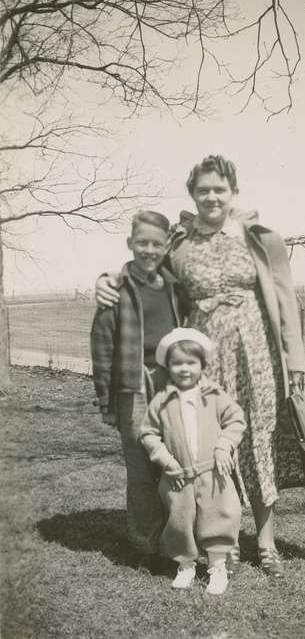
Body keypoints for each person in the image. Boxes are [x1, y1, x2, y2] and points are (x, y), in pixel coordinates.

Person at [95, 155, 305, 577]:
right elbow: (146, 270)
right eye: (203, 190)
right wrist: (108, 279)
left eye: (219, 189)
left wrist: (296, 363)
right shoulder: (180, 243)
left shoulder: (261, 238)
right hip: (202, 359)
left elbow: (286, 304)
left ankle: (265, 543)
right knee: (208, 446)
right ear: (193, 194)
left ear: (233, 192)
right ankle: (219, 539)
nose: (211, 196)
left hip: (258, 356)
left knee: (261, 442)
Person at [90, 210, 187, 563]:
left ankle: (177, 537)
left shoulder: (175, 287)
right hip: (134, 385)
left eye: (156, 244)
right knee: (141, 466)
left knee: (174, 458)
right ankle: (145, 542)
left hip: (172, 383)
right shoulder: (116, 289)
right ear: (130, 243)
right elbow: (101, 347)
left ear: (166, 247)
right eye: (142, 242)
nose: (149, 250)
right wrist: (106, 401)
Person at [140, 328, 246, 595]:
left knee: (219, 517)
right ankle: (185, 565)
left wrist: (224, 447)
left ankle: (217, 567)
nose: (184, 369)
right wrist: (164, 459)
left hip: (213, 473)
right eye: (177, 363)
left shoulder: (214, 395)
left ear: (202, 365)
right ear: (168, 366)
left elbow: (236, 420)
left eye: (191, 363)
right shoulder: (162, 401)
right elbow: (148, 433)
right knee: (179, 520)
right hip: (177, 475)